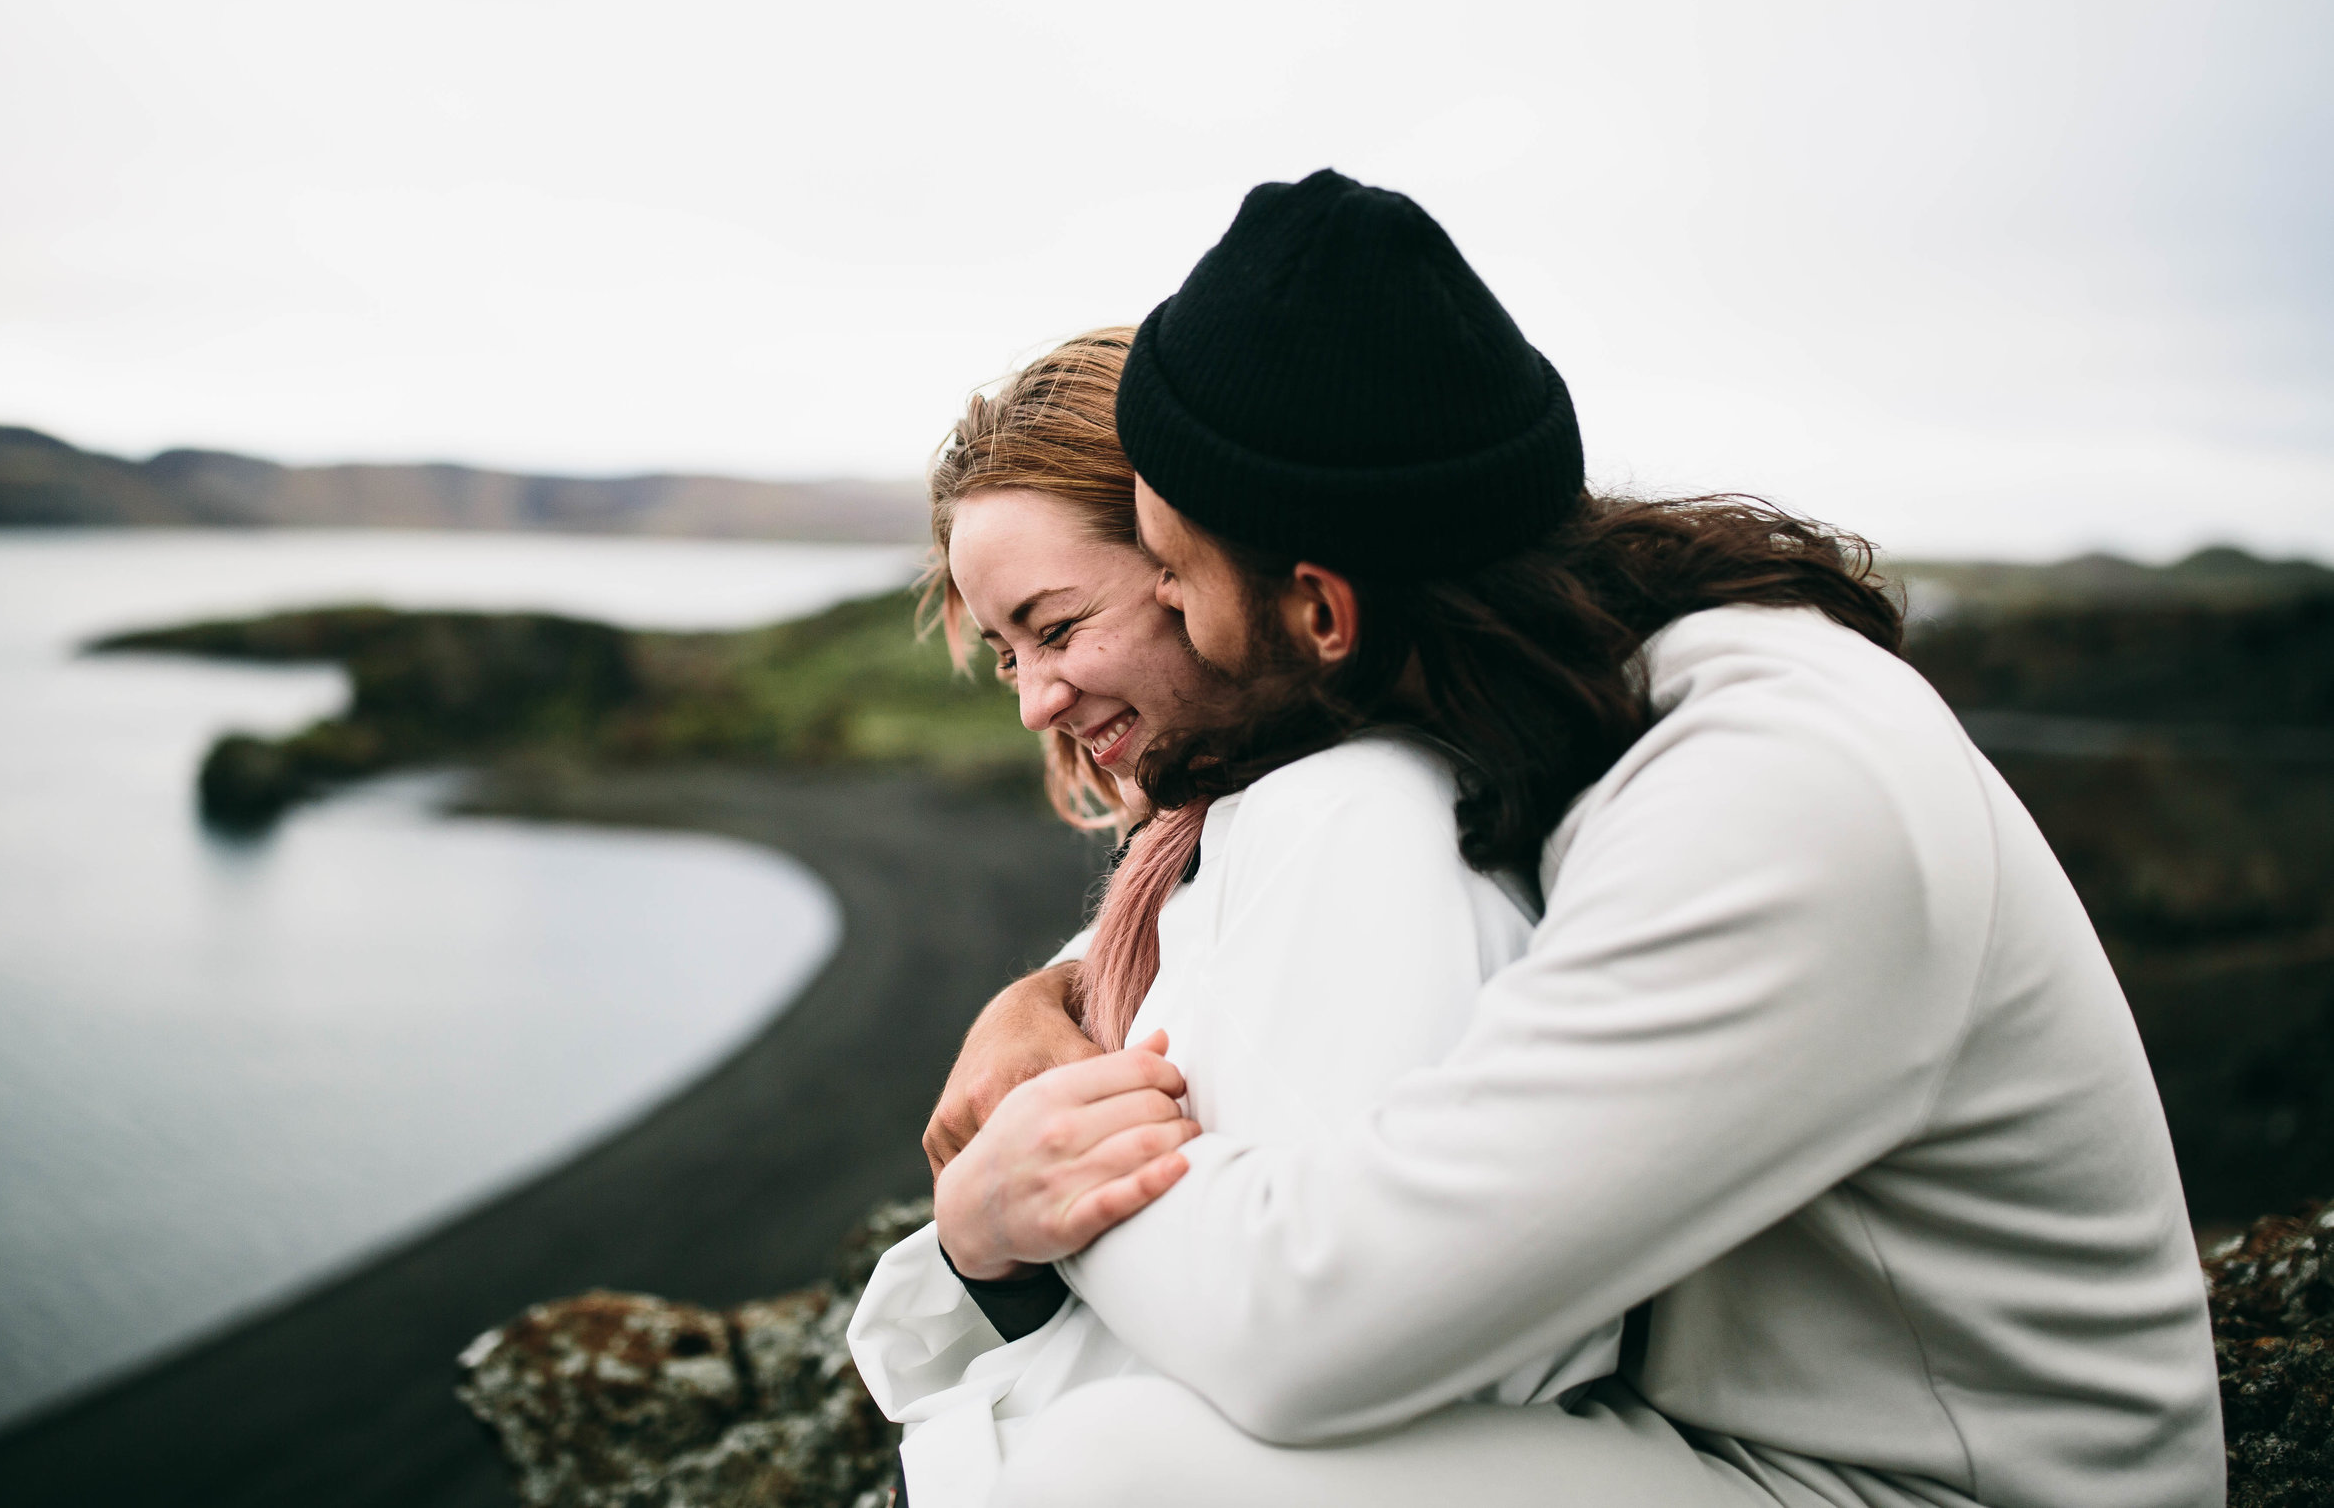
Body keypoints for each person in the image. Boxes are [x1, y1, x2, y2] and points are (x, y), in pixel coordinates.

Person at [923, 170, 2225, 1507]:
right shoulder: (1556, 693)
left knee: (1102, 1475)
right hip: (1731, 1442)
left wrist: (1032, 1189)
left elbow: (1315, 1329)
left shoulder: (1774, 790)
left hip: (1943, 1487)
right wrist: (1049, 998)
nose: (1162, 631)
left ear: (1321, 609)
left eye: (1177, 578)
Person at [846, 329, 1622, 1508]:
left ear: (1200, 562)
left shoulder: (1360, 819)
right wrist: (1035, 1014)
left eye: (1056, 626)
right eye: (1005, 655)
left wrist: (994, 1216)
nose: (1035, 701)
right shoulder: (1217, 843)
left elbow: (1396, 1345)